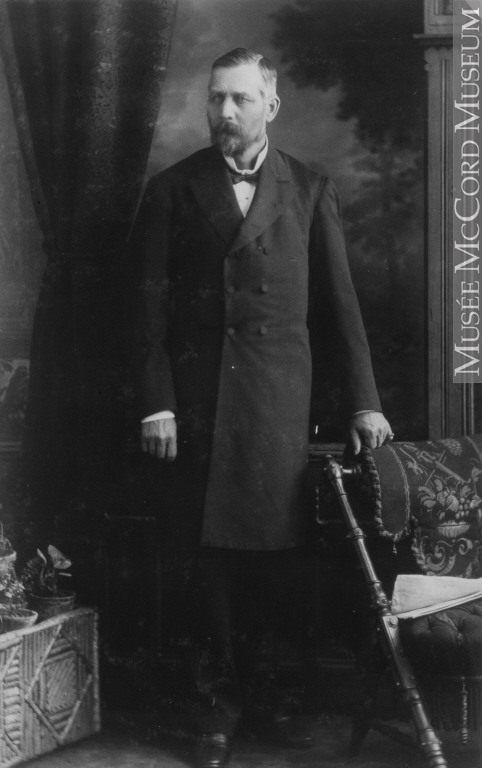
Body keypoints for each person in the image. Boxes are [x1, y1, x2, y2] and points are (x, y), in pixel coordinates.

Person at [129, 48, 392, 768]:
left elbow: (340, 309)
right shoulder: (172, 190)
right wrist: (157, 405)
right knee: (207, 564)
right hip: (200, 404)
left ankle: (272, 702)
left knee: (277, 560)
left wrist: (364, 404)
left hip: (278, 403)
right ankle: (211, 712)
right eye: (216, 98)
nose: (225, 111)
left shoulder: (309, 188)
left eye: (240, 98)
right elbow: (144, 312)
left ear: (270, 106)